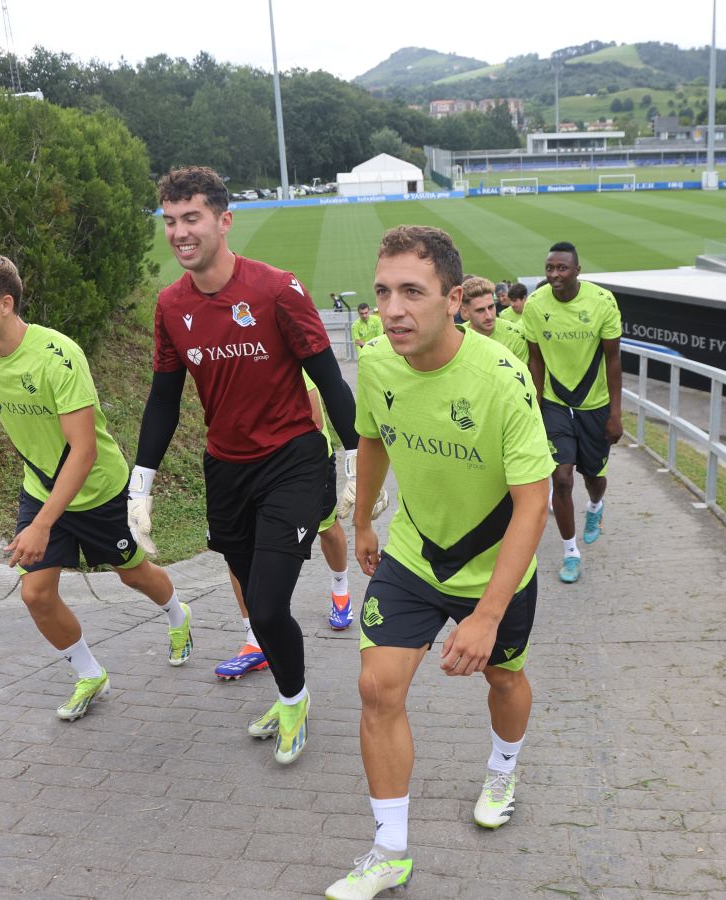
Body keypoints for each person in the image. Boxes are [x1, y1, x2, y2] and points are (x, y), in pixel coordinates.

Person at [325, 226, 553, 900]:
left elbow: (532, 506)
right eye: (383, 292)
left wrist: (485, 617)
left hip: (494, 570)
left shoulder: (501, 379)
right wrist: (364, 518)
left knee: (505, 681)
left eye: (413, 292)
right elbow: (372, 440)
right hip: (414, 556)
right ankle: (390, 851)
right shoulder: (374, 362)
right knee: (376, 689)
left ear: (453, 299)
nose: (394, 309)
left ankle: (503, 768)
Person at [127, 166, 361, 765]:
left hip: (293, 461)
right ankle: (289, 690)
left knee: (268, 603)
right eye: (170, 221)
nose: (179, 232)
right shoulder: (170, 304)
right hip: (225, 469)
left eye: (192, 219)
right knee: (250, 593)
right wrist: (142, 481)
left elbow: (327, 375)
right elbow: (163, 398)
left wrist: (356, 457)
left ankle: (293, 701)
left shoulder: (277, 288)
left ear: (223, 221)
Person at [0, 252, 190, 722]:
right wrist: (39, 512)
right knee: (35, 593)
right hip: (41, 488)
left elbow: (84, 451)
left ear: (5, 304)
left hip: (98, 490)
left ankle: (179, 616)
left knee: (134, 573)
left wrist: (41, 525)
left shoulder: (60, 356)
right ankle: (89, 674)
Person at [215, 370, 387, 679]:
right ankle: (254, 641)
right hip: (243, 466)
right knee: (238, 545)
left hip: (299, 463)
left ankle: (341, 592)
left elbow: (316, 418)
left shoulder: (277, 349)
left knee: (326, 526)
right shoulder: (223, 355)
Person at [520, 241, 623, 584]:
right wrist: (534, 406)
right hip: (555, 403)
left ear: (577, 270)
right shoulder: (535, 305)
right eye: (549, 268)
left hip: (595, 406)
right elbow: (535, 359)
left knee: (593, 477)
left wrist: (616, 414)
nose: (554, 274)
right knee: (561, 478)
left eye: (562, 268)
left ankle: (595, 507)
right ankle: (570, 552)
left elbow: (613, 359)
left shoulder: (602, 301)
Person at [459, 276, 529, 365]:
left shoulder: (516, 335)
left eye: (491, 307)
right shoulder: (457, 338)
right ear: (465, 312)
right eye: (480, 310)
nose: (489, 316)